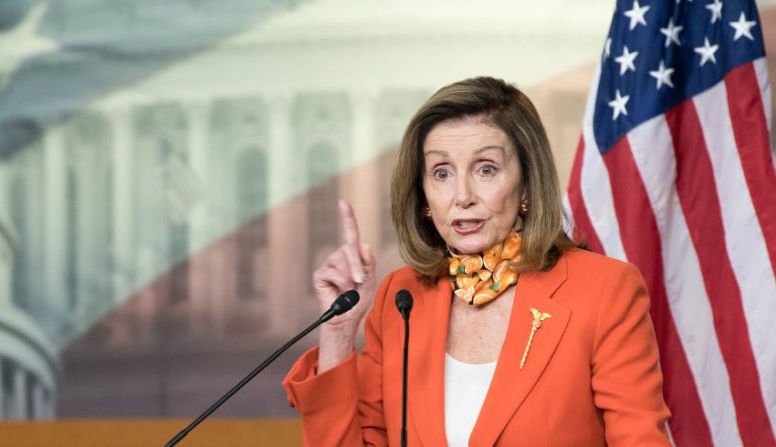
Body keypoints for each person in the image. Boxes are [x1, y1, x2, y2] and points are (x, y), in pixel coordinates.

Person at [282, 77, 671, 446]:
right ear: (423, 200)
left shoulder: (603, 290)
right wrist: (337, 334)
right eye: (441, 173)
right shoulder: (400, 299)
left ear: (527, 185)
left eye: (486, 169)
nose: (462, 195)